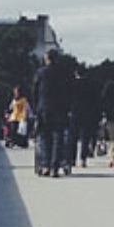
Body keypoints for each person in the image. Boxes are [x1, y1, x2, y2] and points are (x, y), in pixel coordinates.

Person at [32, 48, 74, 177]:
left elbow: (34, 91)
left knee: (45, 137)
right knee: (58, 138)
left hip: (44, 108)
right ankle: (55, 167)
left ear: (47, 59)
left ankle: (45, 164)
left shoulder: (40, 73)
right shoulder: (64, 73)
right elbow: (70, 92)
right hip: (60, 109)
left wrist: (36, 108)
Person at [70, 67, 102, 169]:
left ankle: (72, 159)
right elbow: (97, 101)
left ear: (76, 74)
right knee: (85, 138)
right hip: (88, 114)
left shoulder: (72, 85)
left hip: (75, 113)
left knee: (73, 137)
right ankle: (83, 159)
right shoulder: (92, 85)